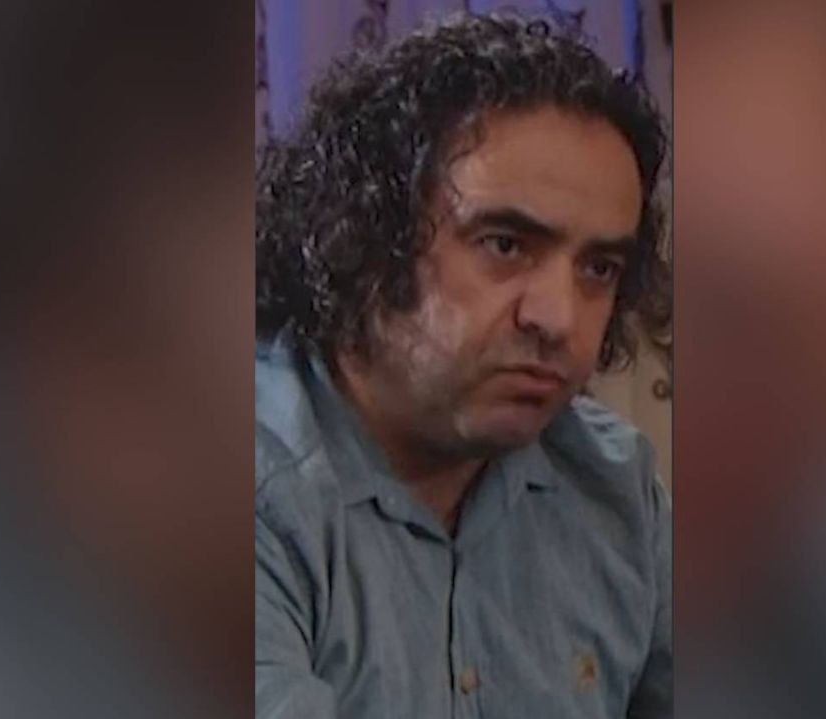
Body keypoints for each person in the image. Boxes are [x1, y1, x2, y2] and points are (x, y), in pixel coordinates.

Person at [254, 13, 673, 718]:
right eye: (505, 244)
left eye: (598, 268)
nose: (559, 317)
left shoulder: (613, 483)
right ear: (364, 235)